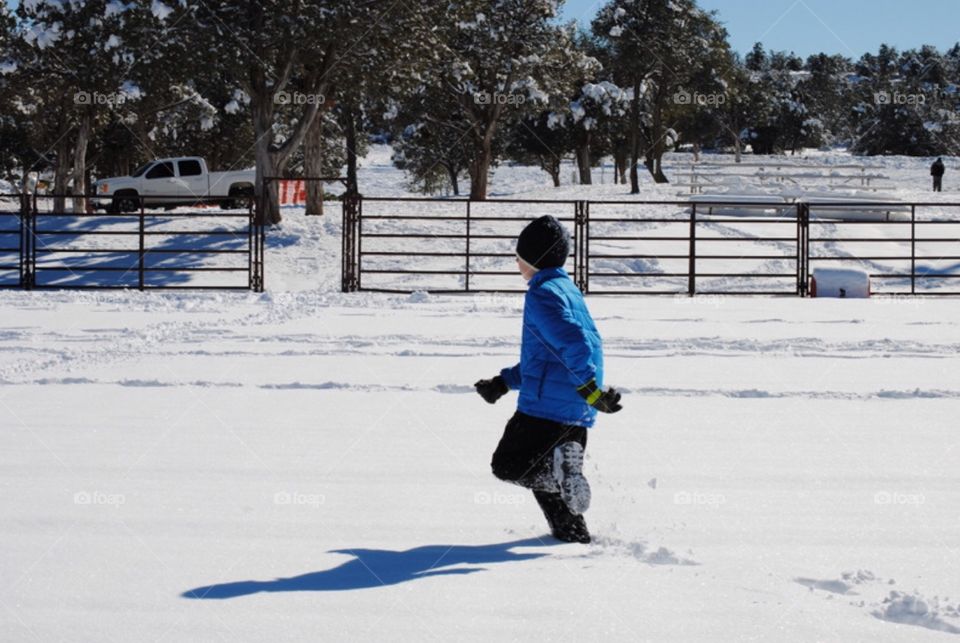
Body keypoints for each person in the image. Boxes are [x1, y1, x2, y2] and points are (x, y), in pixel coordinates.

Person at [474, 215, 622, 544]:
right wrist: (503, 382)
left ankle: (560, 476)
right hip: (575, 412)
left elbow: (574, 344)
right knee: (559, 488)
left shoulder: (541, 294)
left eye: (520, 256)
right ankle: (575, 540)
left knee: (508, 465)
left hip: (545, 410)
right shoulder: (568, 290)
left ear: (533, 259)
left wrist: (590, 391)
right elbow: (546, 359)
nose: (516, 263)